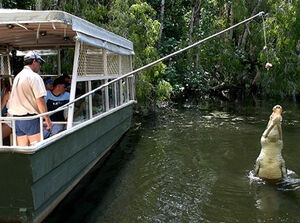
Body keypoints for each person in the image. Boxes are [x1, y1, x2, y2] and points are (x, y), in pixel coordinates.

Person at [8, 51, 51, 146]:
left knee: (23, 150)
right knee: (37, 149)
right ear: (34, 61)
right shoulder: (34, 77)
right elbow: (40, 100)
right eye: (39, 63)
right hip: (30, 118)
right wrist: (47, 118)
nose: (40, 66)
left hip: (17, 119)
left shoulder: (18, 76)